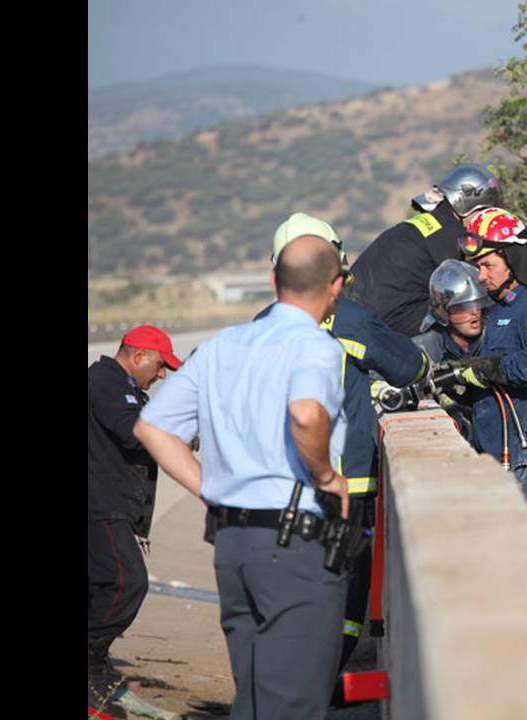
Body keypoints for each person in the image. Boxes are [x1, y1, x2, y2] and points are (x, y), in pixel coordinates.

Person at [134, 232, 352, 719]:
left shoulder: (223, 346)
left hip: (233, 543)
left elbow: (153, 427)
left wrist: (210, 489)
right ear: (335, 287)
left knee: (253, 698)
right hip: (296, 542)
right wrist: (326, 476)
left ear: (274, 280)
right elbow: (305, 413)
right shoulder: (316, 347)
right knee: (291, 703)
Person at [259, 212, 430, 677]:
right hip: (346, 484)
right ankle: (324, 677)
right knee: (344, 587)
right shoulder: (350, 319)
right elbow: (410, 366)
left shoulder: (261, 327)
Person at [451, 207, 527, 527]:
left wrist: (487, 369)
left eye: (488, 265)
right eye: (478, 267)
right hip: (508, 461)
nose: (481, 276)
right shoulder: (501, 313)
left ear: (513, 261)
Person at [88, 325, 182, 705]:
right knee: (127, 582)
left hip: (112, 507)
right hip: (101, 508)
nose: (162, 375)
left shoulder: (120, 387)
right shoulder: (108, 385)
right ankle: (91, 664)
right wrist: (183, 432)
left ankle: (96, 666)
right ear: (138, 355)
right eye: (160, 366)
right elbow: (135, 433)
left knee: (101, 587)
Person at [345, 163, 503, 336]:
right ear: (467, 205)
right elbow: (460, 290)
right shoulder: (451, 236)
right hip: (383, 322)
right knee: (463, 314)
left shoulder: (427, 225)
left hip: (353, 314)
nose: (485, 219)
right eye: (483, 211)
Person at [413, 259, 492, 442]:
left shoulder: (494, 339)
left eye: (477, 305)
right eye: (463, 307)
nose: (474, 313)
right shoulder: (425, 348)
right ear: (443, 312)